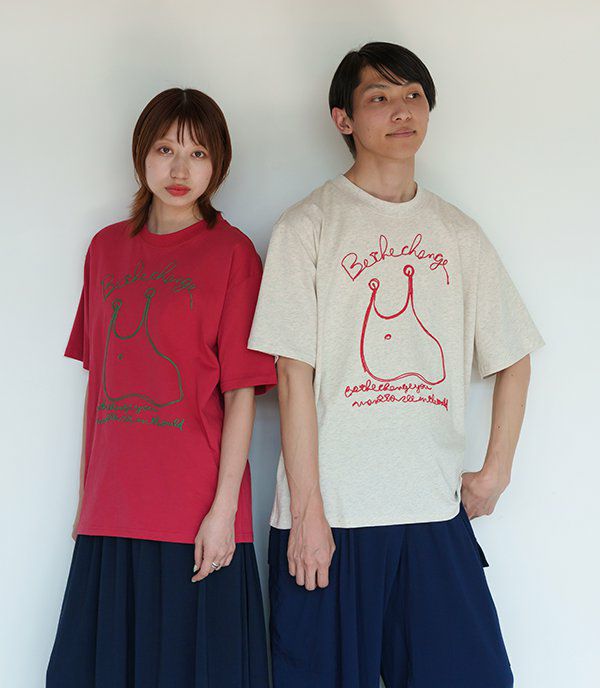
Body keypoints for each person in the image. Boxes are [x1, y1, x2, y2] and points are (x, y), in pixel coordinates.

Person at [248, 42, 545, 687]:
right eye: (378, 97)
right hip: (332, 520)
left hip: (431, 514)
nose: (401, 110)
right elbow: (292, 378)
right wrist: (308, 513)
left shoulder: (457, 233)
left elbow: (513, 354)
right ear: (344, 119)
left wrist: (494, 474)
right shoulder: (308, 226)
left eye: (413, 95)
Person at [46, 88, 277, 688]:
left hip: (196, 514)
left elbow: (242, 393)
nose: (180, 169)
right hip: (113, 507)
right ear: (141, 155)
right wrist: (85, 501)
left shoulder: (233, 254)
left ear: (217, 165)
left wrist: (224, 513)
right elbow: (100, 387)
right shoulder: (105, 250)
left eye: (198, 154)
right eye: (165, 149)